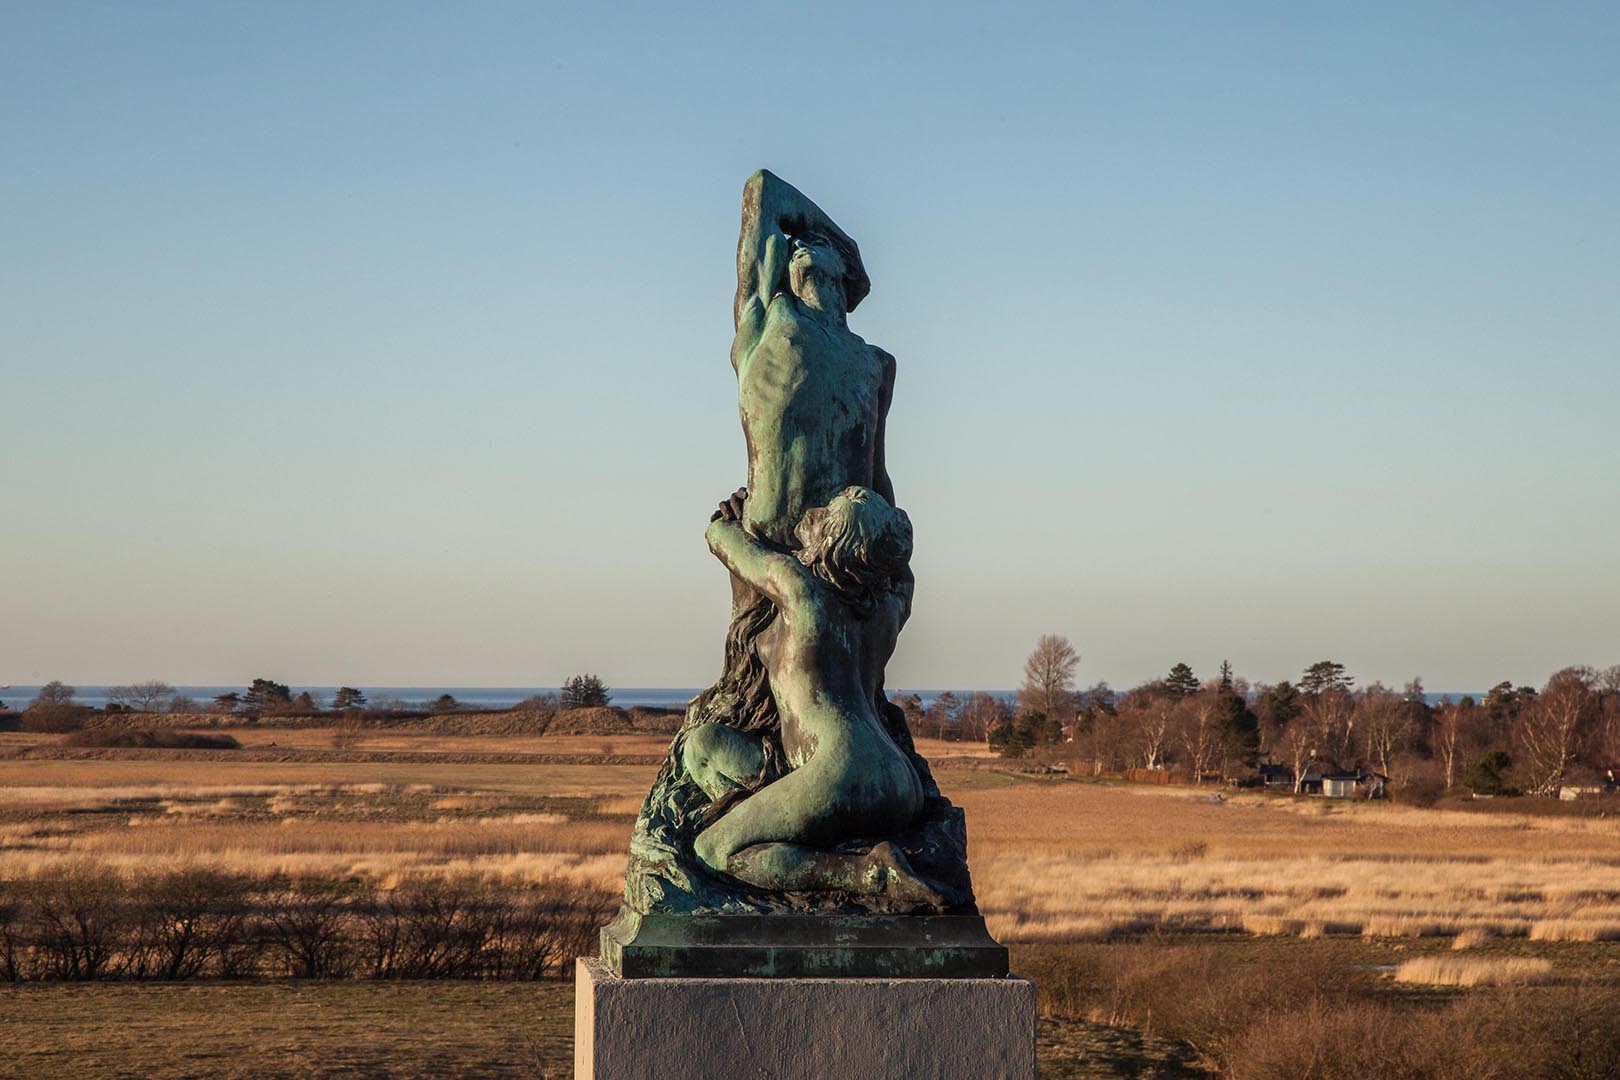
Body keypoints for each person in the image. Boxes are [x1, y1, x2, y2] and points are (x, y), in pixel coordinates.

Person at [682, 487, 941, 904]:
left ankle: (866, 874)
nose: (813, 515)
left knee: (714, 850)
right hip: (898, 783)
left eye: (826, 516)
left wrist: (728, 520)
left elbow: (722, 541)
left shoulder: (801, 592)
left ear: (834, 541)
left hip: (839, 770)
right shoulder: (890, 609)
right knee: (703, 746)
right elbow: (902, 570)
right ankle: (780, 828)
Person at [731, 170, 895, 551]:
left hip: (842, 545)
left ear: (843, 271)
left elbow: (876, 472)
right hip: (766, 542)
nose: (798, 244)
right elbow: (762, 191)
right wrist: (844, 243)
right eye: (794, 245)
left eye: (815, 242)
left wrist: (890, 550)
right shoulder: (762, 323)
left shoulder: (876, 364)